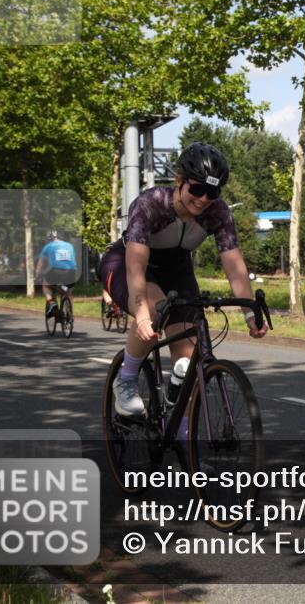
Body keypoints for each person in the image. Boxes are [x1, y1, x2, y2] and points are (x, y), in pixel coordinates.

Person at [98, 141, 267, 416]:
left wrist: (250, 313)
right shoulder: (151, 204)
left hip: (177, 270)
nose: (203, 199)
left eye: (212, 192)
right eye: (197, 189)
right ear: (179, 181)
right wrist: (141, 315)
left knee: (190, 363)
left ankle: (180, 434)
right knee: (155, 309)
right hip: (127, 264)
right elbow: (136, 269)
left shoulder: (218, 212)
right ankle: (126, 378)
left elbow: (234, 266)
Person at [36, 231, 77, 316]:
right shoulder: (70, 246)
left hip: (56, 271)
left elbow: (41, 263)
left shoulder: (48, 246)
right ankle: (69, 313)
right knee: (67, 291)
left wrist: (38, 274)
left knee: (46, 285)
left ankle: (51, 302)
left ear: (49, 239)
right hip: (71, 272)